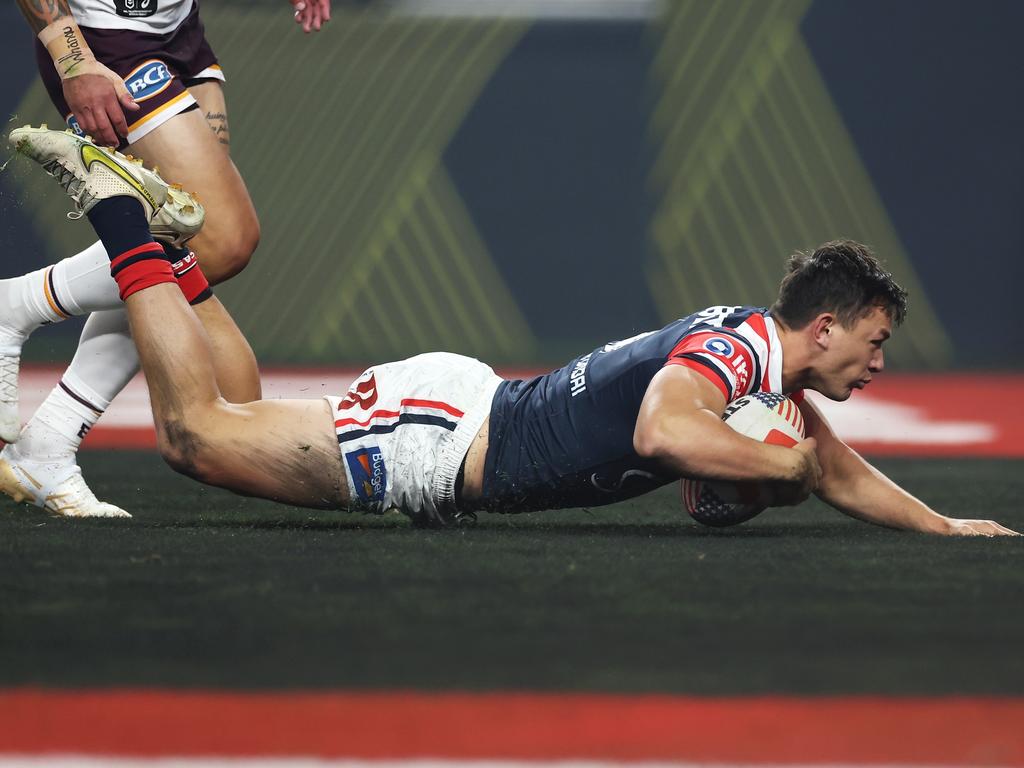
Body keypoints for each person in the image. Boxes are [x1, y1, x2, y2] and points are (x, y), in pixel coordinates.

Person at [5, 128, 1020, 538]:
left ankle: (174, 257)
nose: (879, 364)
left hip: (458, 411)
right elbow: (667, 432)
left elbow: (831, 467)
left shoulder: (761, 363)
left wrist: (940, 528)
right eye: (874, 343)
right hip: (436, 444)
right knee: (193, 436)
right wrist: (783, 468)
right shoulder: (743, 348)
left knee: (232, 409)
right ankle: (119, 215)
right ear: (826, 324)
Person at [0, 0, 330, 517]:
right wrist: (73, 58)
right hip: (104, 37)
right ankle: (20, 306)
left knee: (181, 242)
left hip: (178, 30)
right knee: (220, 239)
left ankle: (47, 439)